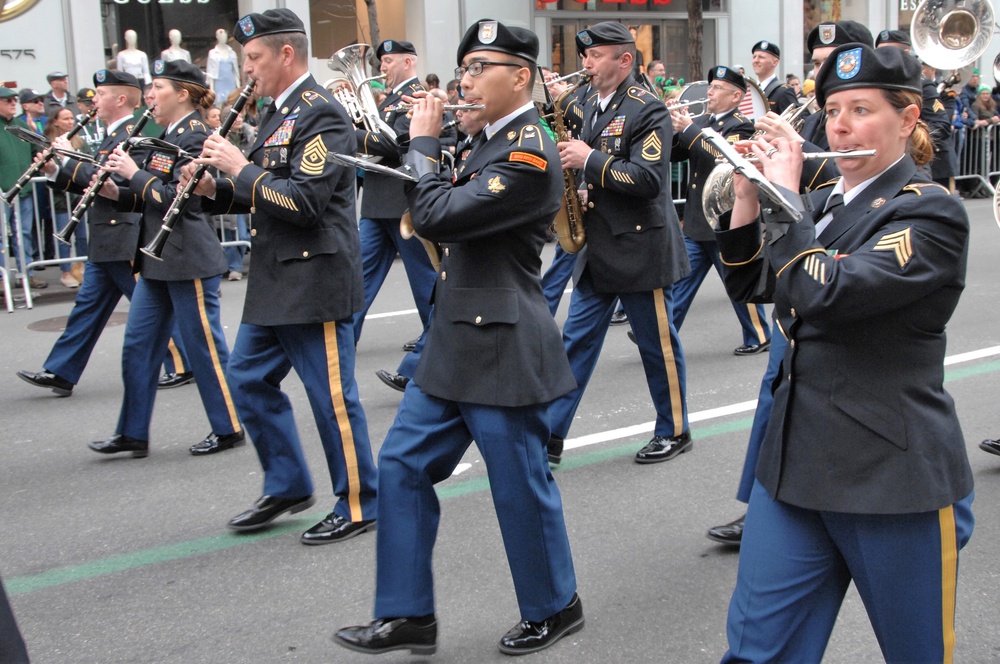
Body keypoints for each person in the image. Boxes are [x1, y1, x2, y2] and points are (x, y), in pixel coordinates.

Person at [716, 42, 974, 662]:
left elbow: (823, 293)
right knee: (756, 651)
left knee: (914, 653)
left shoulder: (931, 212)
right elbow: (755, 285)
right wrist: (750, 198)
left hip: (891, 475)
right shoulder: (827, 203)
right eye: (832, 109)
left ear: (908, 119)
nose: (839, 125)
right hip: (794, 464)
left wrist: (782, 197)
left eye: (861, 109)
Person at [335, 19, 582, 657]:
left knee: (518, 485)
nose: (464, 81)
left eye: (480, 68)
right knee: (401, 466)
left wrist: (422, 145)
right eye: (464, 68)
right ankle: (407, 613)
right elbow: (435, 204)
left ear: (520, 76)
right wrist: (430, 145)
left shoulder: (528, 151)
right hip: (453, 339)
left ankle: (555, 605)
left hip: (502, 341)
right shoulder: (488, 140)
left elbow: (435, 215)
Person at [190, 8, 378, 542]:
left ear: (286, 54)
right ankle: (289, 482)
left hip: (314, 278)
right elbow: (262, 193)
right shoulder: (278, 112)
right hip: (276, 277)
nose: (247, 69)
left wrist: (236, 167)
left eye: (254, 58)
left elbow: (304, 204)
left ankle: (362, 501)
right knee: (246, 378)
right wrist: (213, 191)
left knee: (331, 398)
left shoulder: (321, 114)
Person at [706, 19, 870, 547]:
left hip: (840, 287)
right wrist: (750, 187)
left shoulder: (916, 198)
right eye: (818, 66)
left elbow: (854, 182)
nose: (820, 81)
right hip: (796, 284)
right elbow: (751, 280)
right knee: (775, 394)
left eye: (832, 66)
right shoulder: (815, 114)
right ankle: (764, 504)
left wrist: (788, 172)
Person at [546, 21, 690, 465]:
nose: (584, 64)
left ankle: (675, 429)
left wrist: (589, 160)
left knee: (656, 345)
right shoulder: (585, 100)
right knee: (576, 341)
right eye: (583, 56)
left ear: (624, 60)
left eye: (594, 56)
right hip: (599, 243)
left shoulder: (648, 109)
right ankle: (550, 434)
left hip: (642, 246)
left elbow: (647, 180)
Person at [92, 59, 243, 459]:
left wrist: (132, 174)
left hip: (187, 256)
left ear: (183, 93)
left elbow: (181, 199)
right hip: (157, 257)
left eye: (158, 87)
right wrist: (114, 192)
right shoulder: (165, 134)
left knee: (203, 348)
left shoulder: (197, 137)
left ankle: (229, 425)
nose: (150, 95)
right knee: (138, 346)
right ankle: (132, 432)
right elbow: (148, 198)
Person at [16, 69, 190, 399]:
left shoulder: (134, 135)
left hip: (124, 234)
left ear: (120, 99)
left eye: (101, 94)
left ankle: (182, 363)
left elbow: (120, 182)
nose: (94, 100)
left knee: (151, 305)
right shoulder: (109, 136)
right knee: (87, 308)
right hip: (105, 235)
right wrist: (56, 170)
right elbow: (93, 183)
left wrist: (68, 158)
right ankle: (61, 370)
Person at [352, 39, 437, 392]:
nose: (382, 67)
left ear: (408, 61)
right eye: (381, 61)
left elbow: (395, 144)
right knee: (355, 282)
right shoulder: (387, 99)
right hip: (376, 202)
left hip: (402, 203)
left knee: (428, 290)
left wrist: (349, 133)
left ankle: (423, 362)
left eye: (388, 61)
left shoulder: (417, 96)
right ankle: (338, 347)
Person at [669, 65, 770, 356]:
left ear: (736, 96)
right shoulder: (703, 122)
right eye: (710, 86)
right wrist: (673, 127)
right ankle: (664, 331)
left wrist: (690, 129)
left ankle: (760, 334)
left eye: (716, 88)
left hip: (725, 216)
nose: (709, 92)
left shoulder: (741, 126)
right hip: (698, 218)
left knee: (735, 278)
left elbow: (723, 157)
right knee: (681, 280)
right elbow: (676, 155)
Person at [0, 87, 45, 290]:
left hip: (24, 192)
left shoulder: (20, 126)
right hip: (2, 192)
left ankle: (26, 273)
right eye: (7, 100)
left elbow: (41, 150)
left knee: (24, 233)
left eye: (14, 99)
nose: (13, 103)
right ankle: (1, 278)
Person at [43, 106, 88, 288]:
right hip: (61, 199)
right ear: (55, 121)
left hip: (79, 196)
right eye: (66, 119)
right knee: (64, 237)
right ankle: (66, 272)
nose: (70, 122)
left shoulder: (79, 141)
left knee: (82, 236)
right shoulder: (49, 142)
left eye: (71, 118)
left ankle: (82, 267)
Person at [750, 40, 797, 114]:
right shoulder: (750, 90)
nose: (755, 60)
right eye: (754, 57)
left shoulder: (783, 91)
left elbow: (793, 122)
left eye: (761, 57)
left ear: (775, 62)